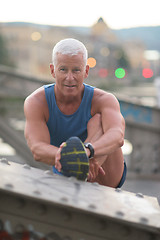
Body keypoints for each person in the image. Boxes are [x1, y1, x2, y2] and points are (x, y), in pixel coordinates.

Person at [24, 38, 126, 188]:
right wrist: (68, 156)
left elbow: (117, 135)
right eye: (63, 69)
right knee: (96, 121)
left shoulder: (104, 100)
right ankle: (78, 163)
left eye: (76, 70)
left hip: (106, 176)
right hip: (67, 171)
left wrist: (87, 152)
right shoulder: (36, 102)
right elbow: (37, 148)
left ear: (85, 71)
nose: (69, 78)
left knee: (98, 119)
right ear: (53, 70)